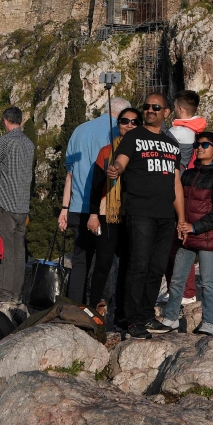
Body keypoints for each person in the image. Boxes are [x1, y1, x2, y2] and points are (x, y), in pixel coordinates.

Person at [108, 93, 187, 339]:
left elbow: (176, 183)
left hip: (166, 216)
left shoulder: (172, 144)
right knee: (138, 265)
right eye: (146, 107)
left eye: (156, 107)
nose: (150, 110)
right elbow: (121, 160)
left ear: (166, 113)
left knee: (156, 268)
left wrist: (181, 219)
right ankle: (131, 320)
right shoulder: (133, 136)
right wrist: (116, 169)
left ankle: (145, 314)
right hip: (140, 211)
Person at [57, 97, 132, 304]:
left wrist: (64, 208)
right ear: (122, 116)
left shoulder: (79, 130)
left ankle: (75, 307)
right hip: (106, 208)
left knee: (81, 260)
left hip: (77, 206)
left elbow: (69, 173)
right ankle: (105, 305)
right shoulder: (117, 134)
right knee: (108, 261)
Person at [161, 131, 213, 335]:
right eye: (196, 145)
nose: (199, 148)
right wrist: (181, 224)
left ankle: (208, 323)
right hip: (186, 235)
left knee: (207, 282)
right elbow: (178, 201)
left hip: (207, 236)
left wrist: (194, 227)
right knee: (176, 279)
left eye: (205, 145)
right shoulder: (189, 174)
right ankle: (171, 318)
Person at [84, 106, 142, 319]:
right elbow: (96, 185)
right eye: (124, 121)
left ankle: (122, 312)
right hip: (107, 212)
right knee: (103, 263)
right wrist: (92, 215)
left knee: (128, 264)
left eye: (134, 122)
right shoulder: (106, 152)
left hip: (134, 214)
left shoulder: (143, 152)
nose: (129, 125)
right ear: (118, 125)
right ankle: (92, 309)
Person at [0, 107, 35, 304]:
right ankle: (16, 293)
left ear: (5, 121)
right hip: (22, 204)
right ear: (20, 121)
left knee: (3, 250)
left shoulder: (4, 141)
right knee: (18, 251)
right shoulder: (29, 143)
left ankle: (3, 293)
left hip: (5, 203)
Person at [162, 90, 206, 306]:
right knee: (176, 244)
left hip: (178, 193)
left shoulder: (179, 133)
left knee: (178, 245)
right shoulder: (196, 131)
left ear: (179, 109)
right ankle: (177, 289)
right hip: (189, 193)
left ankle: (186, 292)